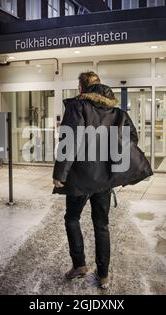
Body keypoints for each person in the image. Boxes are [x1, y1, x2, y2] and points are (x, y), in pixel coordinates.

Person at [53, 71, 153, 289]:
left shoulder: (77, 107)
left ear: (82, 88)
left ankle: (79, 265)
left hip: (80, 178)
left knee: (72, 218)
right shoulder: (116, 112)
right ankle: (104, 274)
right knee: (102, 225)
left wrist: (60, 175)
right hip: (104, 180)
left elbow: (69, 142)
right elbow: (131, 139)